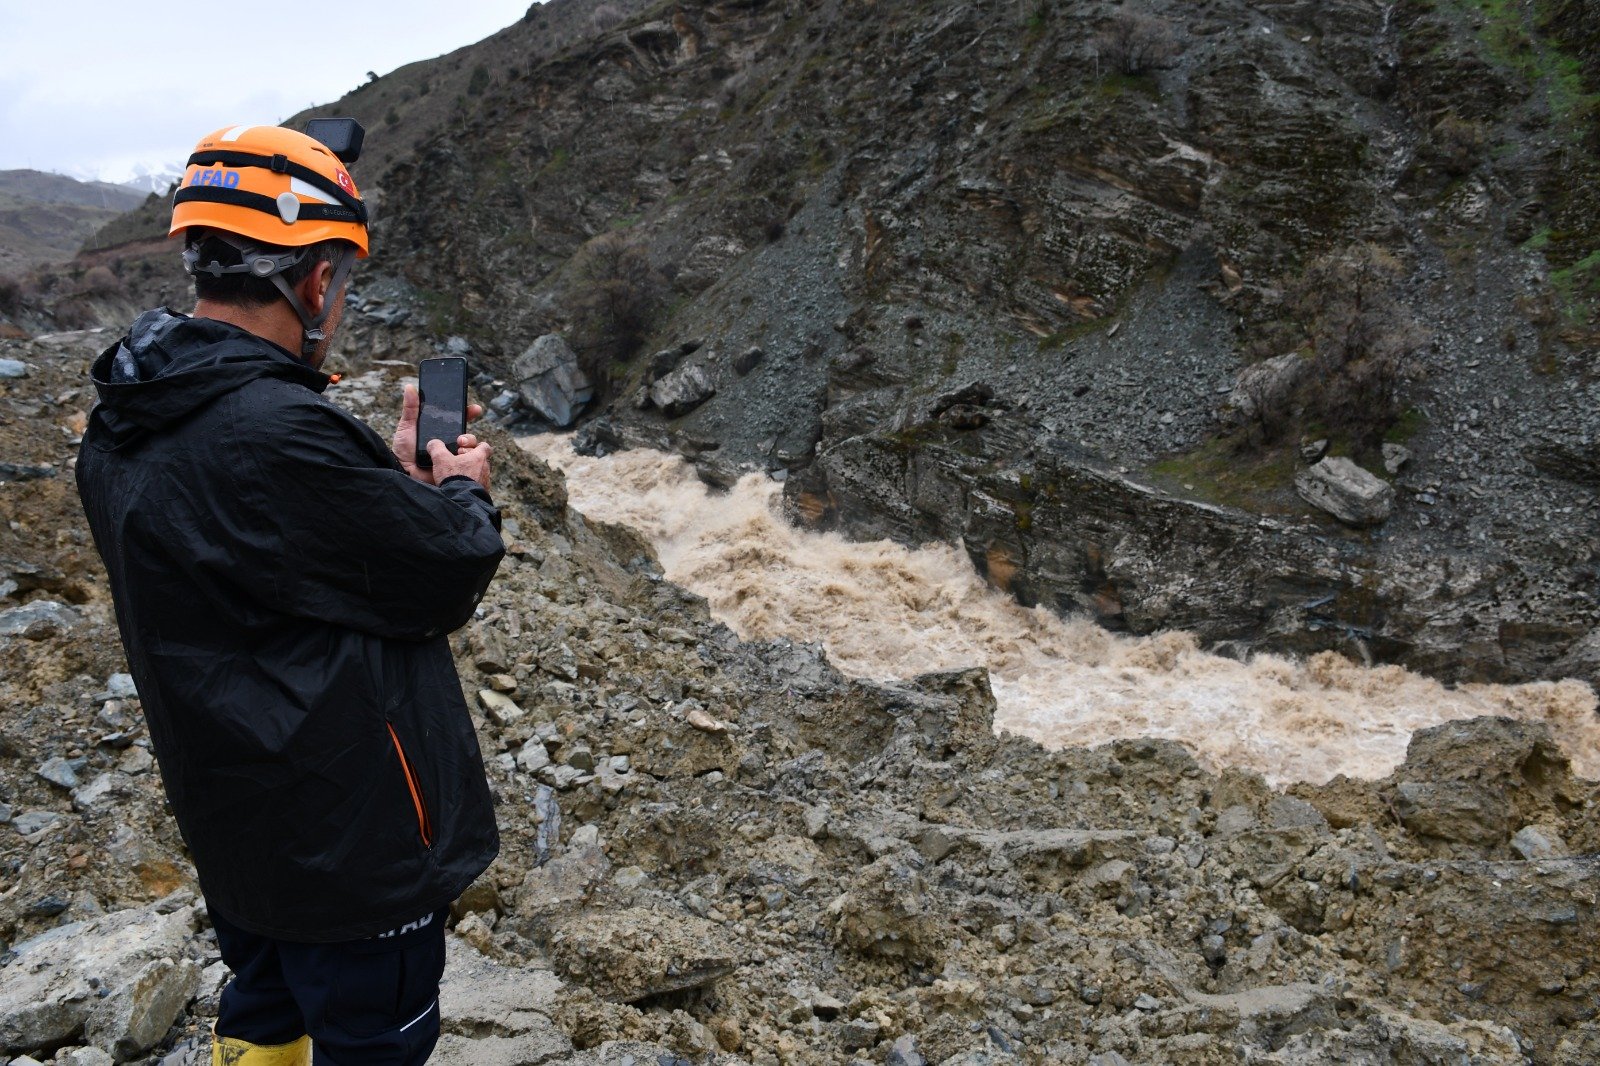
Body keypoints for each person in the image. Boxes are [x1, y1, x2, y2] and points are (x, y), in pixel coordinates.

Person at [74, 123, 505, 1066]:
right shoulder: (280, 432)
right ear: (315, 283)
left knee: (264, 1002)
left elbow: (274, 565)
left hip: (235, 823)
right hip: (347, 844)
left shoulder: (123, 419)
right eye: (340, 281)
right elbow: (444, 572)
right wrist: (458, 486)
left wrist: (380, 482)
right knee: (373, 1043)